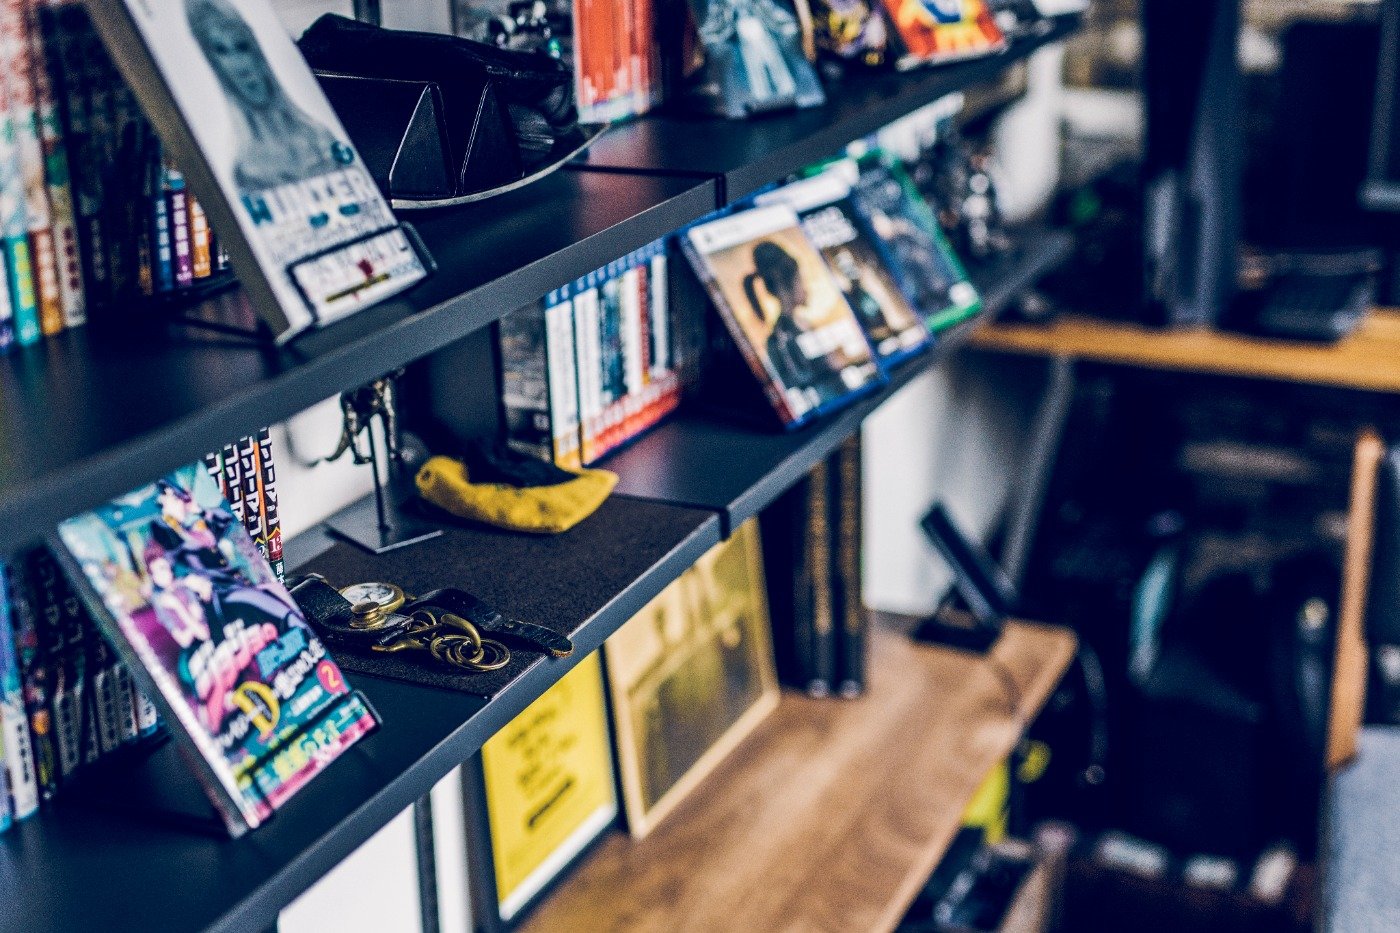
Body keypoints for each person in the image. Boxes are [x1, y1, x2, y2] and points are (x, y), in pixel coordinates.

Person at [186, 0, 344, 193]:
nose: (241, 67)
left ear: (256, 50)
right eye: (222, 51)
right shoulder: (246, 170)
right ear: (215, 65)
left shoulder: (320, 138)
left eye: (242, 46)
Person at [742, 240, 846, 398]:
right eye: (801, 280)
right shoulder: (778, 340)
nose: (806, 287)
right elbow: (795, 385)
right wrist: (828, 365)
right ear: (785, 287)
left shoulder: (803, 324)